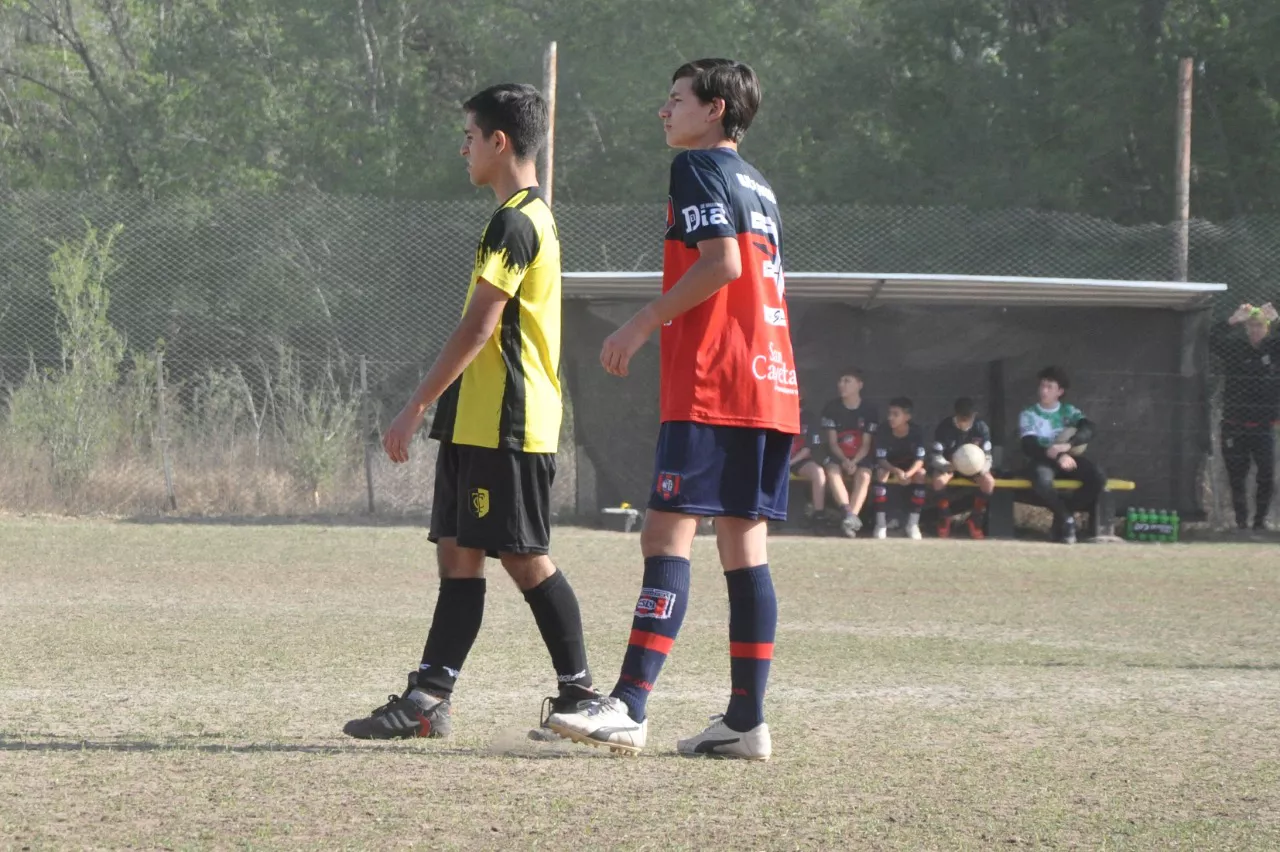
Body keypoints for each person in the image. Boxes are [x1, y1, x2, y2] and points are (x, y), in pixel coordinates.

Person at [546, 58, 797, 761]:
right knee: (745, 549)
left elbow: (722, 264)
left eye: (676, 99)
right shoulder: (760, 184)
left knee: (664, 535)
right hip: (770, 382)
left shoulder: (698, 169)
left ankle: (628, 705)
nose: (665, 111)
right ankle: (747, 719)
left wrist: (640, 322)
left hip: (716, 383)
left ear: (714, 109)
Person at [343, 83, 597, 740]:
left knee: (523, 556)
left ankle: (581, 695)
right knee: (458, 553)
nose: (463, 150)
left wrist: (414, 406)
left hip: (509, 424)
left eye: (468, 137)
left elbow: (480, 327)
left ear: (498, 142)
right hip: (477, 420)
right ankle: (429, 699)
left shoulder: (515, 221)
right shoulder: (517, 216)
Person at [1211, 302, 1280, 531]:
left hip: (1263, 425)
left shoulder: (1274, 348)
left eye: (1260, 325)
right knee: (1236, 475)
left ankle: (1260, 522)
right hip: (1234, 423)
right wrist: (1232, 320)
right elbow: (1211, 340)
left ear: (1267, 327)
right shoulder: (1235, 349)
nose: (1255, 329)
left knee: (1267, 474)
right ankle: (1240, 522)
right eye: (1251, 325)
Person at [1019, 366, 1104, 544]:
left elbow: (1090, 428)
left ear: (1060, 391)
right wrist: (1057, 456)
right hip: (1043, 459)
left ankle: (1063, 516)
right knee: (1041, 480)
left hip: (1068, 456)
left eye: (1050, 387)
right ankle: (1067, 518)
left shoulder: (1069, 411)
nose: (1044, 390)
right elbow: (1029, 446)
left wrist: (1068, 445)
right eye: (1042, 385)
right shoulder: (1029, 414)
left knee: (1097, 478)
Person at [820, 368, 879, 537]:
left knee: (865, 476)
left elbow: (866, 444)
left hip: (860, 456)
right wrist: (845, 460)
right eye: (840, 381)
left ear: (859, 385)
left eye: (847, 381)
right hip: (839, 454)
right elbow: (832, 442)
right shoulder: (831, 407)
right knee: (832, 471)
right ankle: (848, 515)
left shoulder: (870, 410)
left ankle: (849, 523)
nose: (842, 385)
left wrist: (854, 462)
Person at [930, 397, 996, 539]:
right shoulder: (945, 427)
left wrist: (982, 468)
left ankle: (975, 518)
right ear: (956, 414)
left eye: (968, 417)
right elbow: (935, 456)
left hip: (974, 468)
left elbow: (988, 457)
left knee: (988, 482)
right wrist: (945, 465)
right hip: (950, 465)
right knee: (938, 481)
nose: (965, 420)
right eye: (962, 417)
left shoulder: (981, 427)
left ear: (974, 415)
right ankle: (945, 517)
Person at [871, 396, 927, 539]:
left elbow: (920, 459)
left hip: (908, 468)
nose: (891, 417)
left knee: (921, 474)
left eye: (896, 414)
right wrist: (896, 471)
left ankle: (913, 524)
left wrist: (908, 474)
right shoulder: (883, 430)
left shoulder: (916, 431)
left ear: (907, 417)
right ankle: (881, 524)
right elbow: (881, 459)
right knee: (881, 473)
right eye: (889, 413)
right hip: (890, 466)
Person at [789, 397, 827, 524]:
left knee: (818, 472)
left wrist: (789, 464)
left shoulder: (809, 418)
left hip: (798, 461)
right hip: (777, 459)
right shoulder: (777, 414)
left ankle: (819, 517)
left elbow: (807, 449)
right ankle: (765, 515)